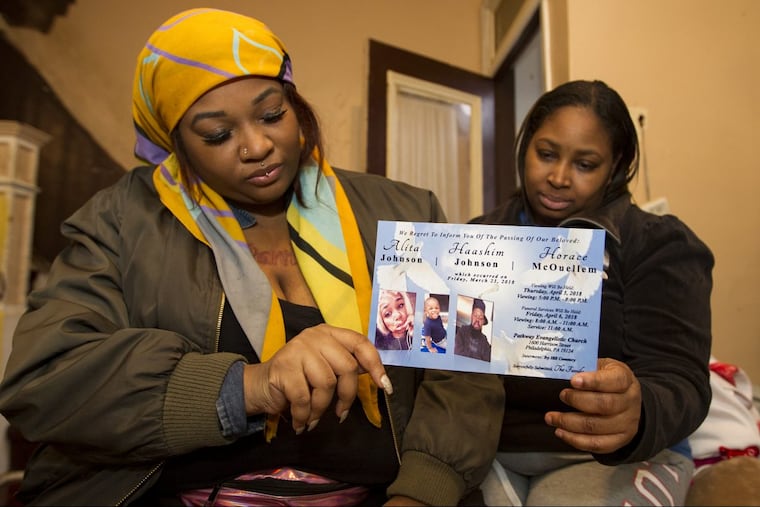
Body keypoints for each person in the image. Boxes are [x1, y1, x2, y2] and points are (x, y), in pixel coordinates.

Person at [0, 8, 505, 506]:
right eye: (218, 135)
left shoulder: (407, 212)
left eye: (271, 114)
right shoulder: (122, 221)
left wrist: (421, 495)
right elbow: (46, 377)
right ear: (175, 143)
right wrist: (249, 385)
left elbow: (463, 377)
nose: (258, 145)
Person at [473, 80, 714, 505]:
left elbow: (682, 378)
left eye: (585, 164)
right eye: (546, 154)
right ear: (525, 146)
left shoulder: (658, 243)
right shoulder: (474, 240)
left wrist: (638, 411)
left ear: (616, 166)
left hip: (611, 457)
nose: (558, 177)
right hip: (491, 449)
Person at [454, 298, 491, 362]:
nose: (477, 320)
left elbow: (487, 360)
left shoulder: (484, 340)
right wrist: (479, 358)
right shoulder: (462, 331)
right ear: (471, 316)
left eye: (480, 318)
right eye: (475, 316)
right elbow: (458, 354)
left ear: (483, 322)